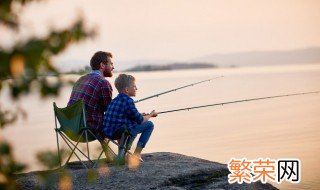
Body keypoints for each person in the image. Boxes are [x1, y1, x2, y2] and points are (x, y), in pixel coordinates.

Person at [103, 74, 157, 161]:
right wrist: (150, 115)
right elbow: (140, 120)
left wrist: (140, 114)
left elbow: (126, 115)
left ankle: (122, 154)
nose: (136, 88)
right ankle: (136, 154)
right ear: (127, 89)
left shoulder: (114, 100)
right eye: (134, 86)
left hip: (108, 133)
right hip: (120, 132)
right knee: (149, 125)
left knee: (132, 124)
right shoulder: (128, 100)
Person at [68, 51, 114, 142]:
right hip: (88, 131)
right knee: (120, 120)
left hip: (70, 129)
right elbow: (110, 111)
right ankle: (123, 155)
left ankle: (109, 155)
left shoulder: (80, 79)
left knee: (98, 118)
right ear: (102, 65)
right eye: (111, 64)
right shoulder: (103, 82)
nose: (113, 67)